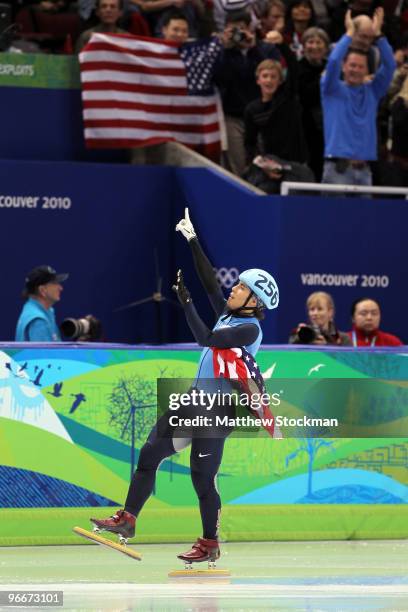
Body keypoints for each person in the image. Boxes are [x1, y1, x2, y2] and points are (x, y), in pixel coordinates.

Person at [90, 208, 279, 565]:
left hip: (216, 412)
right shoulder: (230, 311)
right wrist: (192, 238)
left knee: (201, 479)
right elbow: (210, 281)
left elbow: (206, 337)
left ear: (255, 300)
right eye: (237, 284)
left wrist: (187, 304)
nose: (233, 289)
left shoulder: (251, 329)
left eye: (241, 287)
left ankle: (210, 542)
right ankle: (128, 519)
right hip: (191, 402)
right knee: (149, 456)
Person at [320, 7, 396, 188]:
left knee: (364, 218)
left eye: (360, 67)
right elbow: (332, 62)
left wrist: (378, 36)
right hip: (337, 169)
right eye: (352, 65)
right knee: (334, 217)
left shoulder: (373, 91)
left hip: (364, 171)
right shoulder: (331, 89)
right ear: (344, 67)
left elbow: (390, 65)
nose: (355, 69)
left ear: (367, 71)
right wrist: (349, 34)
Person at [214, 9, 281, 176]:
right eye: (233, 30)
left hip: (262, 116)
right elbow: (220, 78)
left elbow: (270, 74)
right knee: (238, 168)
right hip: (233, 116)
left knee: (266, 164)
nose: (238, 34)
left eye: (241, 29)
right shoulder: (223, 52)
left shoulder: (265, 49)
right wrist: (226, 49)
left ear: (250, 28)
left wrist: (252, 48)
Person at [244, 32, 309, 167]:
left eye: (273, 77)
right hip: (269, 166)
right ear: (258, 80)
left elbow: (294, 68)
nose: (269, 80)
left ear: (280, 81)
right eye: (265, 76)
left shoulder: (288, 99)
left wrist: (281, 45)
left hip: (295, 165)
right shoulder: (252, 109)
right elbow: (249, 143)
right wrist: (263, 165)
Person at [297, 26, 330, 180]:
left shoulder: (332, 67)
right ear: (304, 46)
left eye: (319, 42)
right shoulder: (298, 68)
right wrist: (322, 79)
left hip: (331, 127)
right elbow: (307, 96)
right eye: (310, 42)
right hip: (307, 129)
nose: (315, 46)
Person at [15, 265, 68, 342]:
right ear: (43, 290)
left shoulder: (39, 311)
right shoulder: (38, 321)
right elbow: (44, 354)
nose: (60, 288)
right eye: (55, 283)